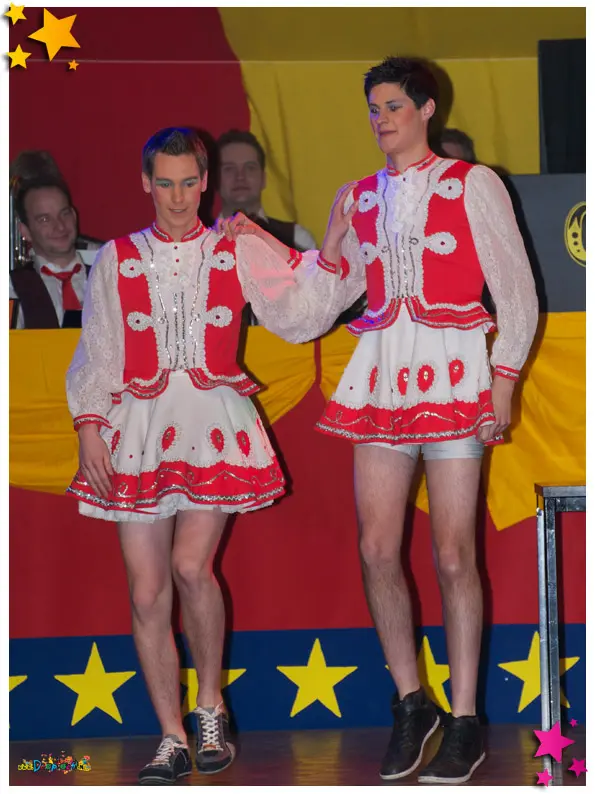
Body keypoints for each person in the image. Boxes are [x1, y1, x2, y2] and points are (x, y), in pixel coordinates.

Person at [222, 56, 538, 785]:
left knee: (454, 553)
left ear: (426, 109)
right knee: (374, 548)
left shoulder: (473, 184)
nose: (381, 118)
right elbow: (314, 308)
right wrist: (314, 247)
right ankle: (411, 702)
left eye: (393, 105)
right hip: (382, 377)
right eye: (373, 108)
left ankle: (465, 718)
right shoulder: (356, 196)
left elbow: (516, 291)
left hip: (454, 374)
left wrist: (504, 380)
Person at [65, 126, 302, 784]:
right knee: (147, 591)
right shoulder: (116, 258)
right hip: (137, 429)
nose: (177, 196)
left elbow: (300, 310)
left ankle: (209, 705)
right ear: (146, 182)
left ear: (205, 182)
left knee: (192, 567)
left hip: (210, 425)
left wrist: (298, 245)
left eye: (189, 183)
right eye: (165, 183)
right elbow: (97, 349)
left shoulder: (234, 247)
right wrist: (89, 425)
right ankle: (170, 736)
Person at [10, 177, 99, 329]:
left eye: (64, 214)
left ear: (74, 216)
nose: (60, 226)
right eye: (44, 219)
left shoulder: (107, 279)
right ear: (25, 231)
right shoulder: (12, 288)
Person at [217, 129, 317, 251]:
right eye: (229, 169)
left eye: (250, 168)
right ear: (215, 179)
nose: (240, 176)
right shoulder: (200, 240)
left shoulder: (298, 239)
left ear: (263, 178)